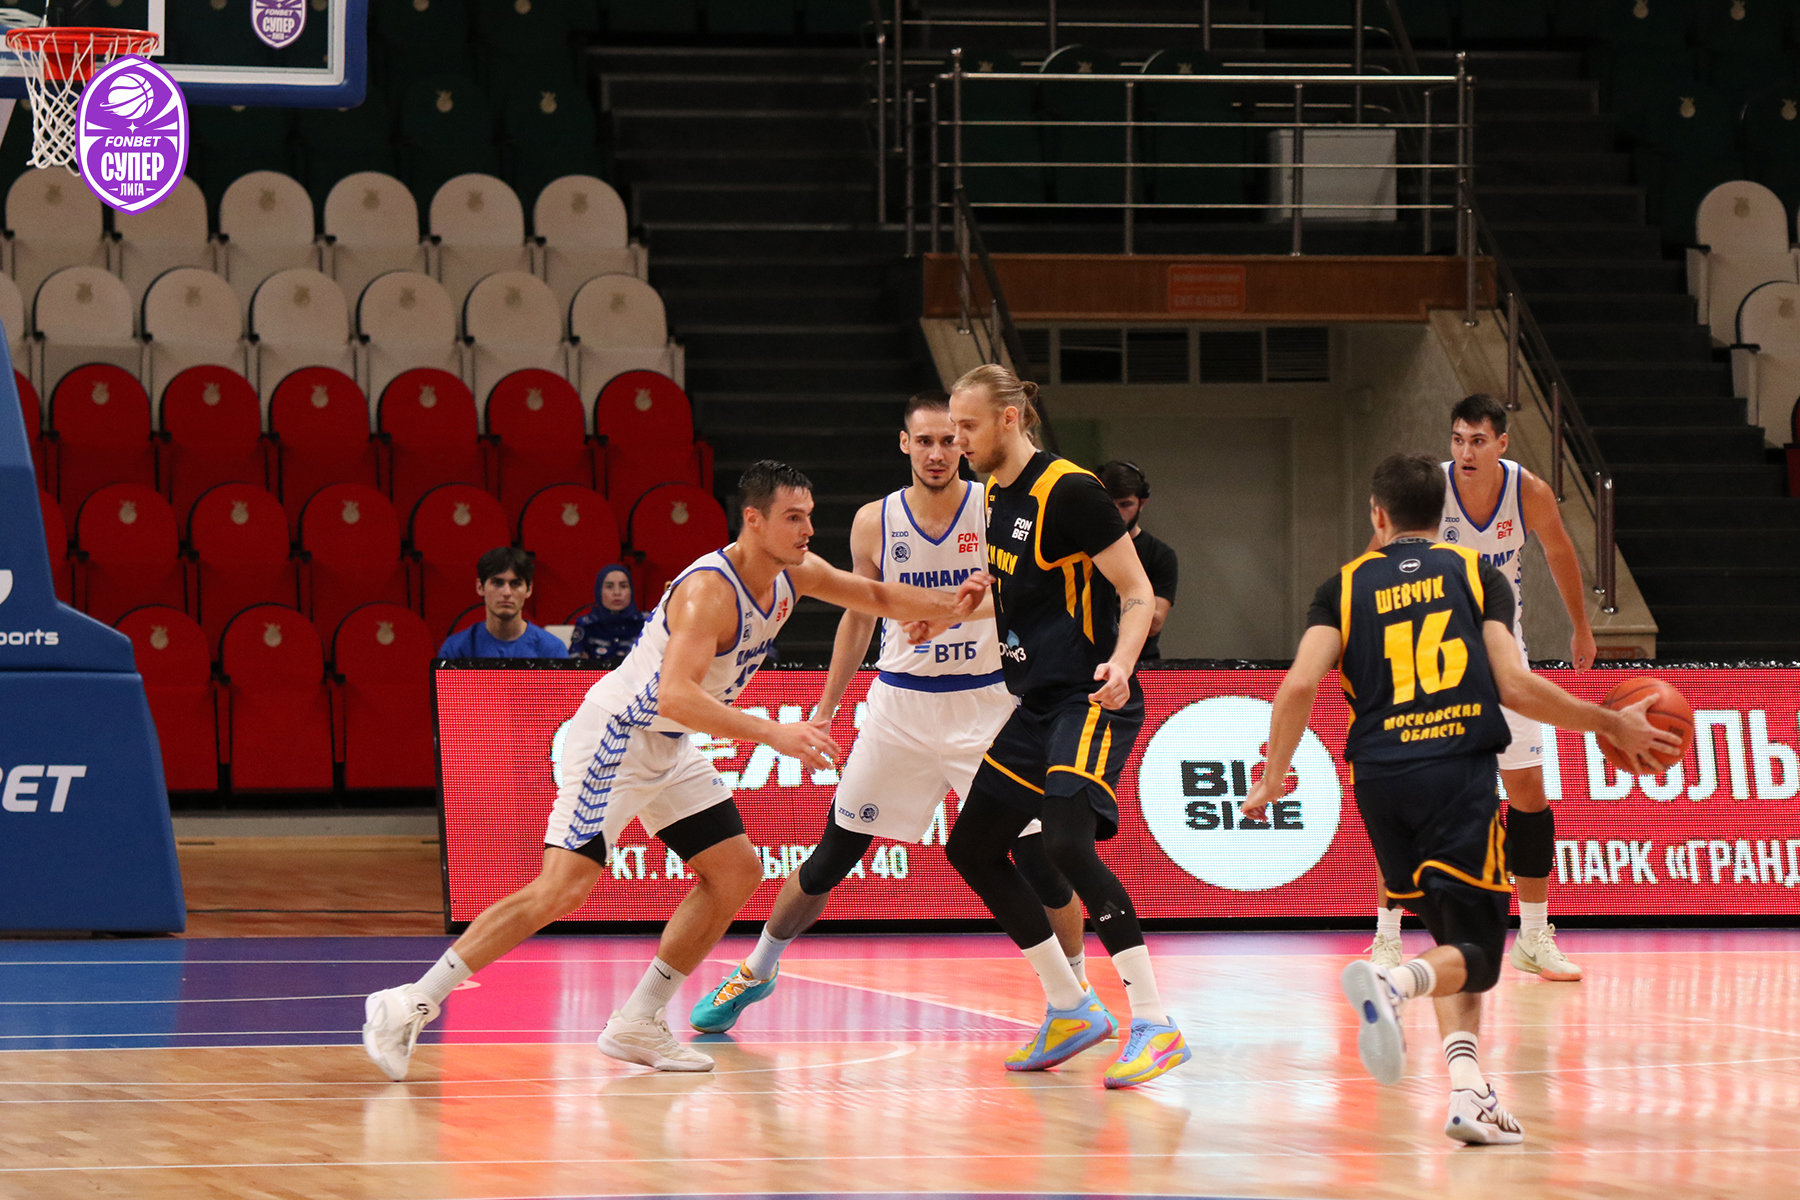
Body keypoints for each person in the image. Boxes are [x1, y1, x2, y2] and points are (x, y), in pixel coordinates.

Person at [363, 461, 990, 1081]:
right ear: (754, 520)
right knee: (562, 890)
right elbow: (676, 696)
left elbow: (875, 596)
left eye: (809, 516)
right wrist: (777, 734)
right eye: (794, 518)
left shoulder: (793, 572)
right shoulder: (708, 592)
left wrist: (956, 606)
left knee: (735, 872)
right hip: (617, 739)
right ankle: (411, 1002)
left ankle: (638, 1020)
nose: (808, 530)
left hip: (670, 746)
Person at [1243, 453, 1674, 1144]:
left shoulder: (1342, 586)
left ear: (1378, 515)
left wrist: (1273, 777)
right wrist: (1605, 722)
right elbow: (1514, 684)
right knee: (1476, 953)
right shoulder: (1477, 575)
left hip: (1378, 781)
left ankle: (1469, 1091)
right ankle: (1394, 985)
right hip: (1453, 771)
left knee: (1448, 935)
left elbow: (1298, 685)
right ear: (1443, 515)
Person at [688, 392, 1092, 1034]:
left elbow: (1030, 595)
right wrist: (826, 706)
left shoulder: (996, 507)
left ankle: (1074, 994)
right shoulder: (875, 520)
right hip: (901, 708)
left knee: (1040, 858)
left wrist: (970, 619)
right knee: (832, 856)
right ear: (905, 444)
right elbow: (858, 615)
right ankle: (756, 970)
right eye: (924, 441)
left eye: (948, 440)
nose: (937, 453)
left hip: (988, 707)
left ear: (964, 442)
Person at [934, 363, 1187, 1090]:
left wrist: (1123, 663)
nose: (957, 442)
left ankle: (1155, 1023)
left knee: (1067, 844)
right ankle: (1072, 1008)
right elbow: (1026, 578)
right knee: (972, 848)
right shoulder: (992, 493)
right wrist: (980, 590)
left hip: (1090, 694)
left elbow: (1136, 591)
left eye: (968, 428)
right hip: (1037, 700)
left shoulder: (1071, 492)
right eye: (953, 428)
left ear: (1009, 419)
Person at [1367, 394, 1596, 982]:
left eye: (1477, 440)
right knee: (1408, 800)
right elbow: (1375, 560)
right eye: (1457, 439)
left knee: (1529, 797)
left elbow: (1560, 552)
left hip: (1502, 661)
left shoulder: (1528, 491)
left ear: (1502, 443)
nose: (1465, 452)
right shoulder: (1429, 491)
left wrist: (1581, 627)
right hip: (1430, 662)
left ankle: (1535, 935)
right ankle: (1387, 937)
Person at [1097, 461, 1178, 661]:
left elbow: (1154, 624)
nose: (1116, 512)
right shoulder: (1078, 547)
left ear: (1142, 503)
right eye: (1109, 504)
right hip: (1082, 662)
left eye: (1125, 504)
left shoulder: (1160, 554)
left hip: (1139, 662)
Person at [436, 547, 570, 659]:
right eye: (497, 583)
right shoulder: (456, 649)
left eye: (515, 583)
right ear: (480, 587)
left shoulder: (552, 650)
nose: (507, 592)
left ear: (529, 590)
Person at [569, 564, 646, 663]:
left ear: (631, 590)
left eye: (623, 586)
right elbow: (574, 665)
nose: (617, 593)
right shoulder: (588, 626)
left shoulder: (645, 624)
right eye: (609, 587)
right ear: (599, 591)